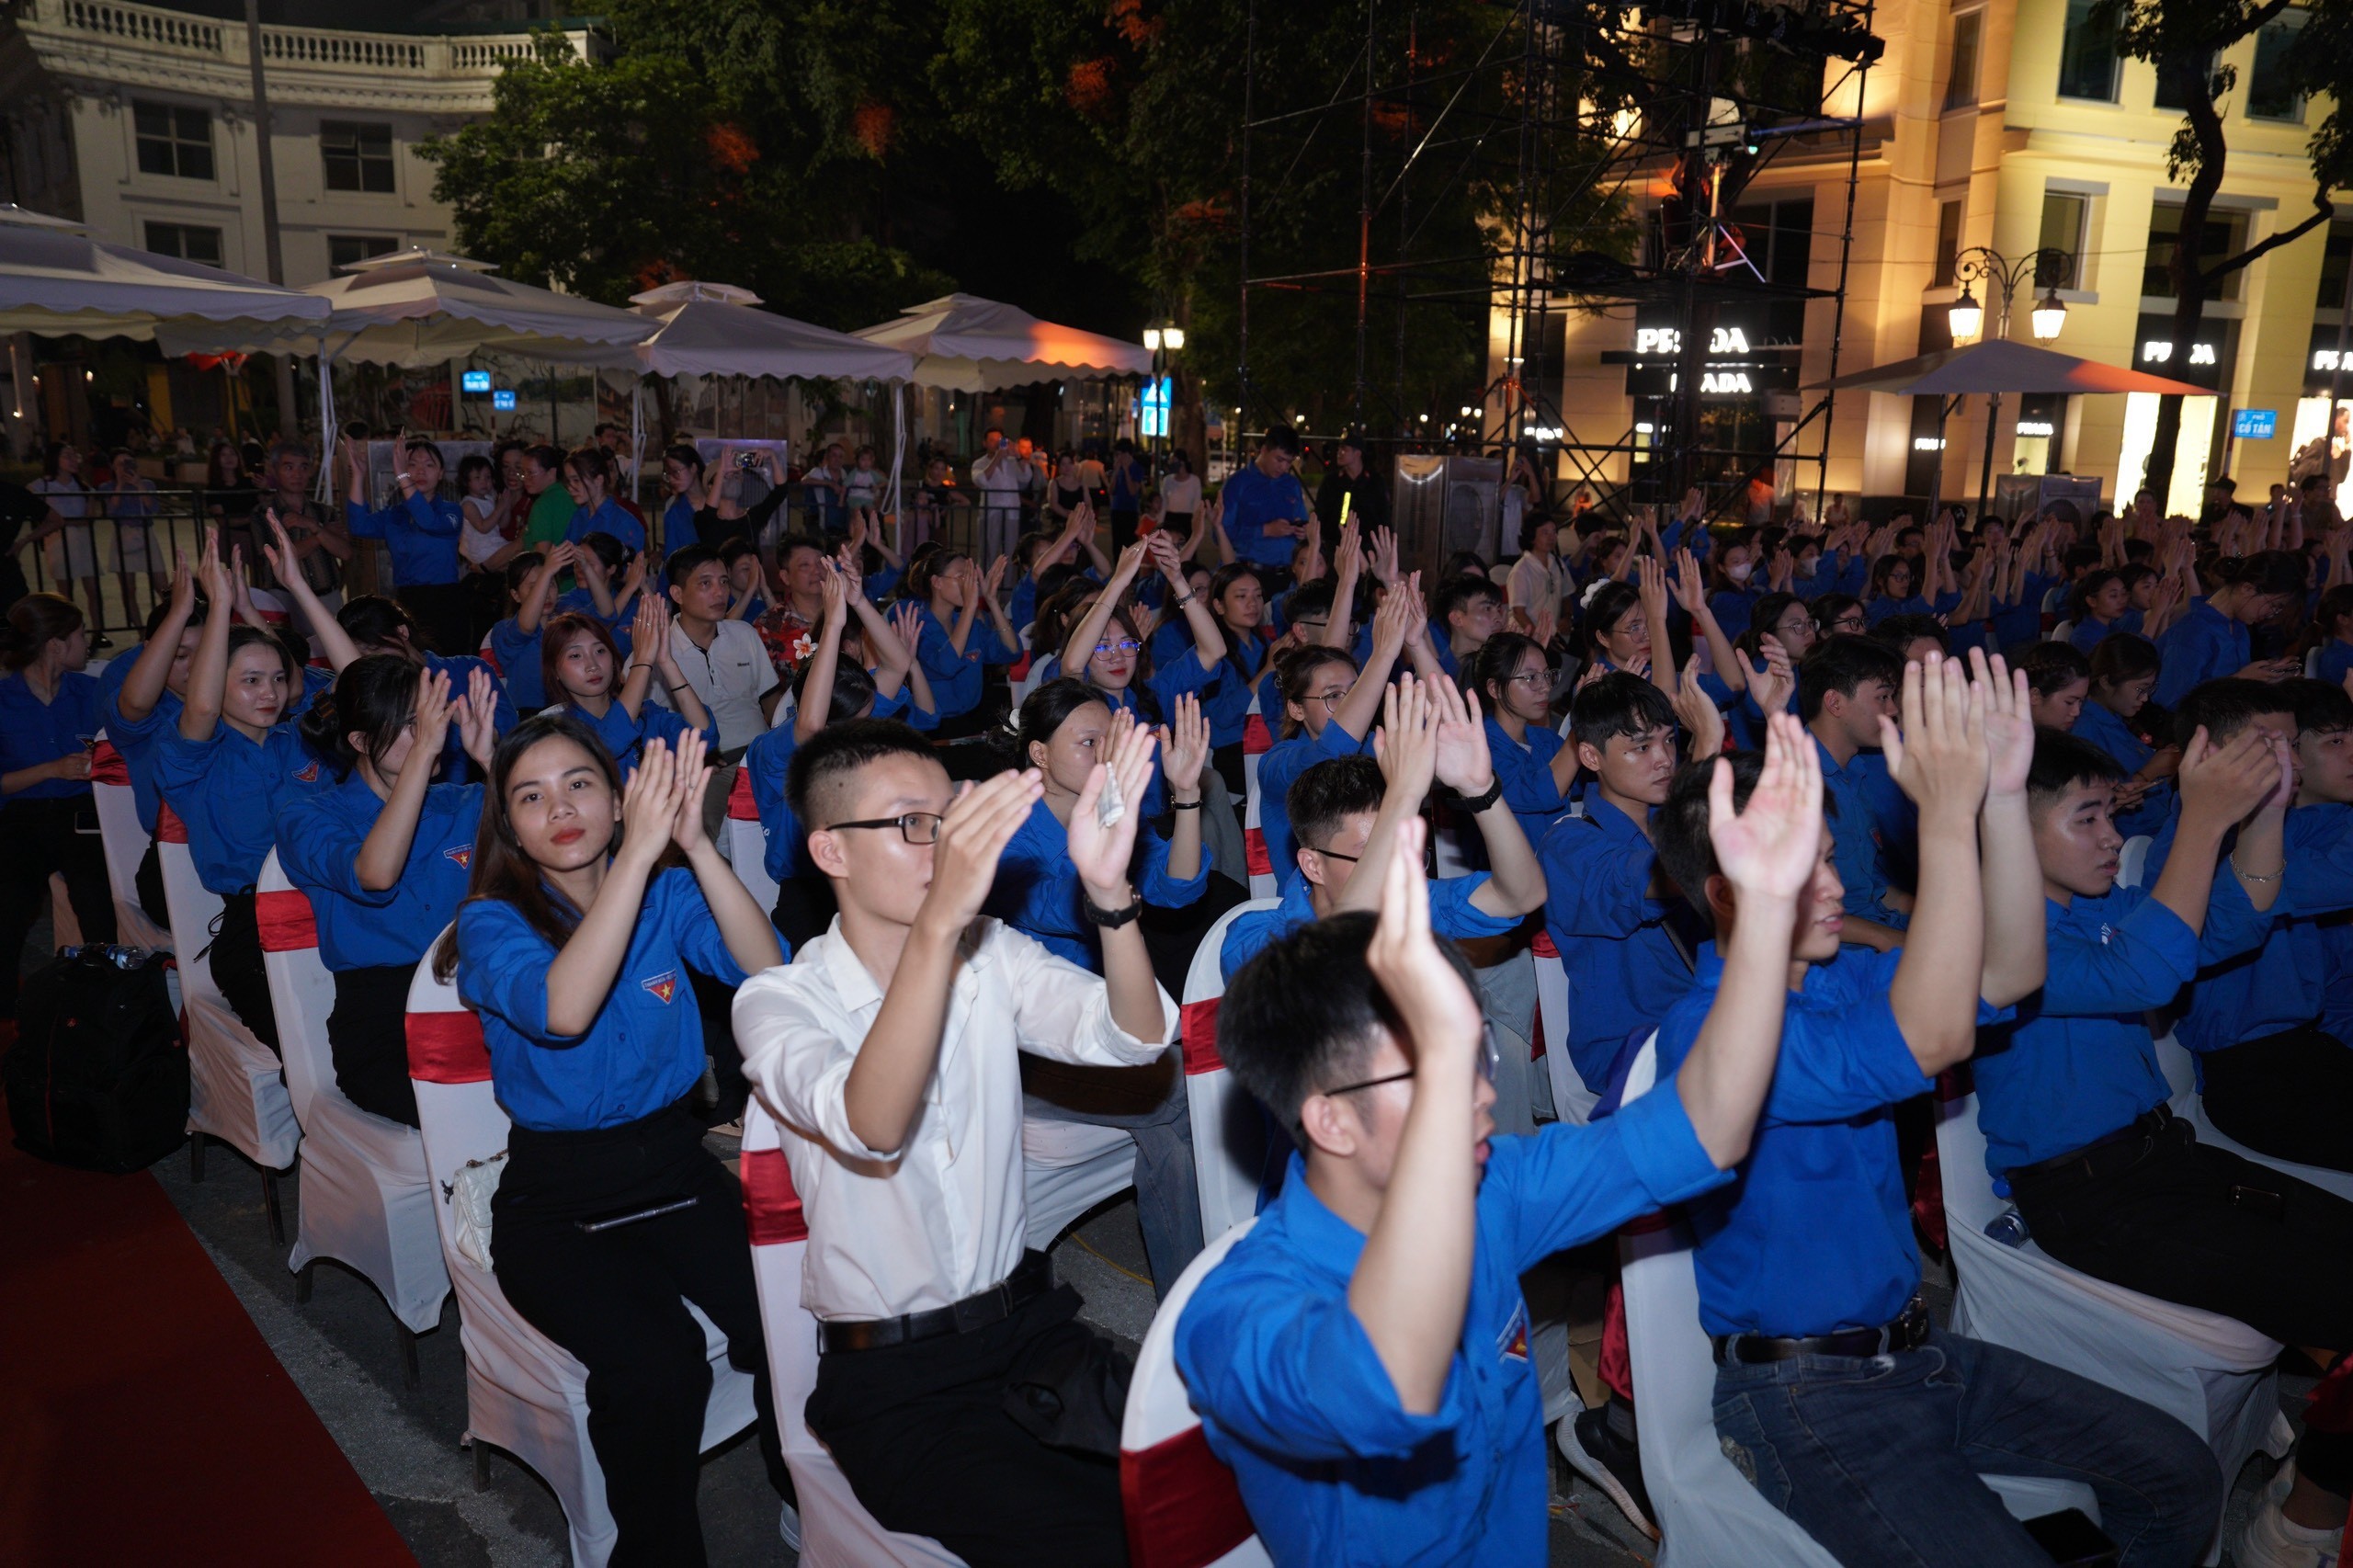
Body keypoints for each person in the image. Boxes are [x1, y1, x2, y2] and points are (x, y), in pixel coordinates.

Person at [1176, 715, 1819, 1566]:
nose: (1480, 1097)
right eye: (1435, 1077)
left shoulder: (1492, 1189)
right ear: (1328, 1118)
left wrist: (1763, 921)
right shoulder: (1240, 1312)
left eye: (1471, 1064)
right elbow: (1390, 1383)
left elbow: (1705, 1125)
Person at [1652, 650, 2222, 1568]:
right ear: (1726, 892)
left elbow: (2006, 973)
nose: (1835, 888)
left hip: (1921, 1355)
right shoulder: (1711, 1032)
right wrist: (1947, 815)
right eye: (1803, 870)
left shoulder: (1839, 980)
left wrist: (1997, 799)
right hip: (1805, 1394)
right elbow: (1928, 1040)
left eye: (1831, 859)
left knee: (2180, 1471)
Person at [733, 718, 1177, 1567]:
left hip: (1029, 1329)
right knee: (1099, 1542)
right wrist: (939, 926)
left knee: (1216, 1475)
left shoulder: (991, 957)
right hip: (899, 1390)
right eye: (913, 824)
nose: (947, 844)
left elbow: (1136, 1038)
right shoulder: (780, 1002)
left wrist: (1109, 892)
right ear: (831, 853)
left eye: (952, 817)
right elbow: (874, 1122)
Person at [1986, 722, 2353, 1567]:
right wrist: (2199, 820)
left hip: (2163, 1160)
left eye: (2111, 813)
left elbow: (2228, 928)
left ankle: (2315, 1470)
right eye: (2087, 817)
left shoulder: (2091, 904)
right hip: (2085, 1198)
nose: (2113, 835)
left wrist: (2264, 811)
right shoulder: (1992, 932)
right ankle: (2300, 1522)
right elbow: (2144, 978)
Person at [441, 717, 793, 1565]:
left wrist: (695, 847)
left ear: (618, 797)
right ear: (508, 824)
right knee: (659, 1364)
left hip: (675, 1168)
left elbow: (770, 971)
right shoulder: (491, 922)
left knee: (786, 1318)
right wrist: (635, 857)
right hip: (559, 1203)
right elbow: (563, 1012)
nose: (559, 808)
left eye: (579, 785)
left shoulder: (667, 894)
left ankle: (804, 1492)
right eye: (531, 795)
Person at [153, 533, 356, 1051]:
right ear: (214, 683)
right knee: (310, 1046)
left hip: (331, 903)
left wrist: (296, 588)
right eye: (249, 681)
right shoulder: (195, 759)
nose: (267, 693)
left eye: (275, 680)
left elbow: (360, 682)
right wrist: (219, 604)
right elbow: (198, 711)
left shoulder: (304, 741)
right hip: (253, 926)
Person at [279, 658, 499, 1125]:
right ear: (360, 741)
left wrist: (490, 759)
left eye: (432, 718)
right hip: (384, 1022)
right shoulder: (308, 817)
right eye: (410, 725)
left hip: (477, 997)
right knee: (472, 1113)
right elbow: (374, 875)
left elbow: (549, 835)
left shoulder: (459, 801)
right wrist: (423, 753)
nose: (431, 735)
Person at [1222, 675, 1547, 981]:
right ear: (1313, 865)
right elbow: (1336, 964)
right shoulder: (1256, 938)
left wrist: (1480, 791)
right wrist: (1403, 793)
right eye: (1374, 853)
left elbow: (1522, 895)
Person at [1538, 672, 1714, 1103]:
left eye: (1670, 741)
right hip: (1634, 1052)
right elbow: (1655, 875)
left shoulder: (1665, 819)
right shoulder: (1569, 842)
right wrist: (1706, 748)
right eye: (1640, 747)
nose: (1664, 759)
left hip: (1702, 1018)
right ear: (1591, 757)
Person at [0, 592, 115, 1013]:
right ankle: (8, 1013)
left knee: (96, 895)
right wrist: (52, 769)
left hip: (81, 812)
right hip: (20, 815)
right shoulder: (3, 699)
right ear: (55, 644)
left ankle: (108, 1004)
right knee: (9, 905)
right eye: (81, 634)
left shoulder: (93, 692)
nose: (87, 643)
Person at [1799, 633, 1914, 949]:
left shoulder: (1856, 771)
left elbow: (1870, 887)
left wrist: (1923, 910)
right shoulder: (1797, 782)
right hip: (1841, 953)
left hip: (1876, 925)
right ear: (1835, 702)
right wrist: (1895, 940)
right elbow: (1799, 910)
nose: (1892, 710)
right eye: (1882, 697)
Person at [542, 596, 713, 770]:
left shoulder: (646, 715)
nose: (592, 665)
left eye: (600, 651)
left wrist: (666, 661)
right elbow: (606, 745)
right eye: (575, 656)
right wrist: (642, 660)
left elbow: (703, 736)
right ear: (555, 670)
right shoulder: (553, 727)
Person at [343, 436, 472, 656]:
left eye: (429, 465)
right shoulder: (395, 515)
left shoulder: (452, 511)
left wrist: (404, 476)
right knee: (414, 665)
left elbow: (428, 521)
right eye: (412, 464)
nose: (420, 471)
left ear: (441, 473)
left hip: (446, 601)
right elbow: (358, 525)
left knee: (451, 665)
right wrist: (358, 475)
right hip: (408, 601)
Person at [652, 543, 782, 758]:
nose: (719, 592)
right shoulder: (657, 649)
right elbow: (639, 721)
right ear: (677, 594)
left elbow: (772, 704)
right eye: (705, 583)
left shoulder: (744, 634)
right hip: (701, 763)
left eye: (724, 582)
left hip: (759, 754)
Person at [2154, 550, 2303, 707]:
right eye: (2274, 605)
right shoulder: (2194, 629)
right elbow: (2171, 699)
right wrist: (2240, 680)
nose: (2272, 614)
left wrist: (2268, 675)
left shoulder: (2238, 626)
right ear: (2247, 588)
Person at [1469, 631, 1574, 843]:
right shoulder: (1480, 751)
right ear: (1495, 688)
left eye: (1546, 675)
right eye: (1530, 678)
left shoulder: (1547, 740)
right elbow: (1541, 792)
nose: (1545, 687)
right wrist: (1580, 729)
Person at [908, 548, 1019, 738]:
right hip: (931, 729)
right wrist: (969, 607)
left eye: (971, 577)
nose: (969, 584)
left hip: (970, 723)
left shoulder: (970, 624)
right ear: (937, 582)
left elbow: (1012, 652)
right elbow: (947, 666)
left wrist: (991, 601)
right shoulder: (917, 627)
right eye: (962, 576)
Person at [2075, 632, 2177, 837]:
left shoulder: (2115, 718)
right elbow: (2092, 804)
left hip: (2160, 822)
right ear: (2105, 681)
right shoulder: (2085, 727)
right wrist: (2150, 772)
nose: (2145, 698)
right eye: (2140, 688)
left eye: (2150, 689)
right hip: (2137, 836)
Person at [1220, 426, 1313, 585]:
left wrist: (1303, 532)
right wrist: (1264, 530)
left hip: (1289, 575)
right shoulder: (1238, 483)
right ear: (1263, 450)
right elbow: (1220, 533)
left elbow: (1303, 521)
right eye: (1279, 459)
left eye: (1289, 462)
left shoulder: (1291, 484)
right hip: (1251, 574)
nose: (1284, 467)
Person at [30, 440, 99, 630]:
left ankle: (98, 631)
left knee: (93, 590)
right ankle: (71, 631)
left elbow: (89, 518)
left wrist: (61, 521)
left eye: (74, 456)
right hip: (58, 542)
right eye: (67, 456)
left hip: (82, 541)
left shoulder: (83, 487)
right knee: (65, 594)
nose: (73, 460)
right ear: (55, 459)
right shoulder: (42, 486)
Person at [100, 448, 165, 619]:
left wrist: (139, 485)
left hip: (145, 534)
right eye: (120, 464)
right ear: (113, 467)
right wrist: (120, 485)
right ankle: (139, 631)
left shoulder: (147, 484)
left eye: (128, 463)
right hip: (123, 536)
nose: (124, 467)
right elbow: (111, 511)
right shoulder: (108, 487)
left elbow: (153, 508)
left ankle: (168, 626)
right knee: (129, 590)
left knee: (163, 587)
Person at [1313, 431, 1387, 550]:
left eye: (1344, 450)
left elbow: (1383, 516)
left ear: (1357, 453)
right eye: (1338, 449)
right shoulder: (1331, 481)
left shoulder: (1375, 482)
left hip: (1367, 546)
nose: (1339, 453)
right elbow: (1321, 513)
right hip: (1336, 546)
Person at [971, 429, 1028, 562]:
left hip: (1011, 511)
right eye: (992, 440)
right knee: (989, 549)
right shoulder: (979, 463)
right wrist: (998, 457)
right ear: (984, 443)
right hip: (991, 511)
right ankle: (987, 581)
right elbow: (982, 480)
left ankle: (1008, 582)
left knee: (1010, 550)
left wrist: (1018, 455)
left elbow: (1025, 478)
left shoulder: (1012, 461)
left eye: (999, 439)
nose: (996, 443)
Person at [1505, 514, 1566, 633]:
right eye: (1545, 533)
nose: (1552, 537)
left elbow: (1566, 595)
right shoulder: (1521, 570)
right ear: (1532, 537)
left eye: (1554, 532)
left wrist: (1567, 618)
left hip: (1552, 635)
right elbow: (1519, 612)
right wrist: (1537, 638)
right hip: (1526, 638)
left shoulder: (1558, 563)